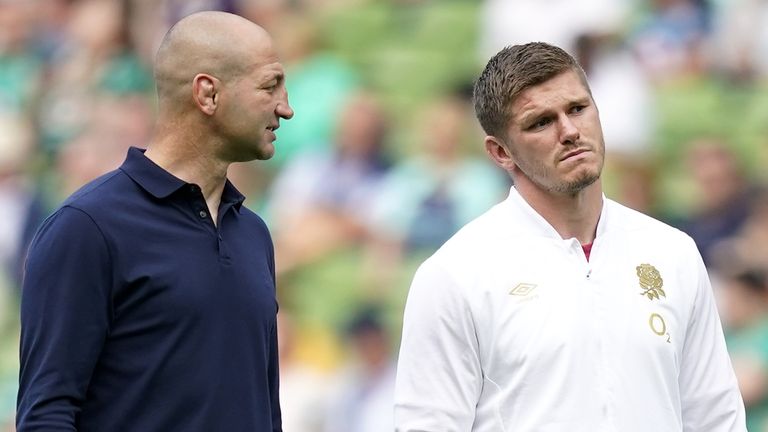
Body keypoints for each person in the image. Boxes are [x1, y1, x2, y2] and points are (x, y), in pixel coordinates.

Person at [394, 42, 746, 431]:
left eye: (578, 109)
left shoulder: (672, 252)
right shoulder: (455, 275)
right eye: (540, 122)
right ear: (499, 152)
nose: (570, 131)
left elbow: (716, 417)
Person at [17, 11, 293, 432]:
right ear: (208, 94)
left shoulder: (254, 234)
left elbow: (264, 411)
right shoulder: (87, 228)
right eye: (269, 85)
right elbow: (47, 415)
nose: (286, 108)